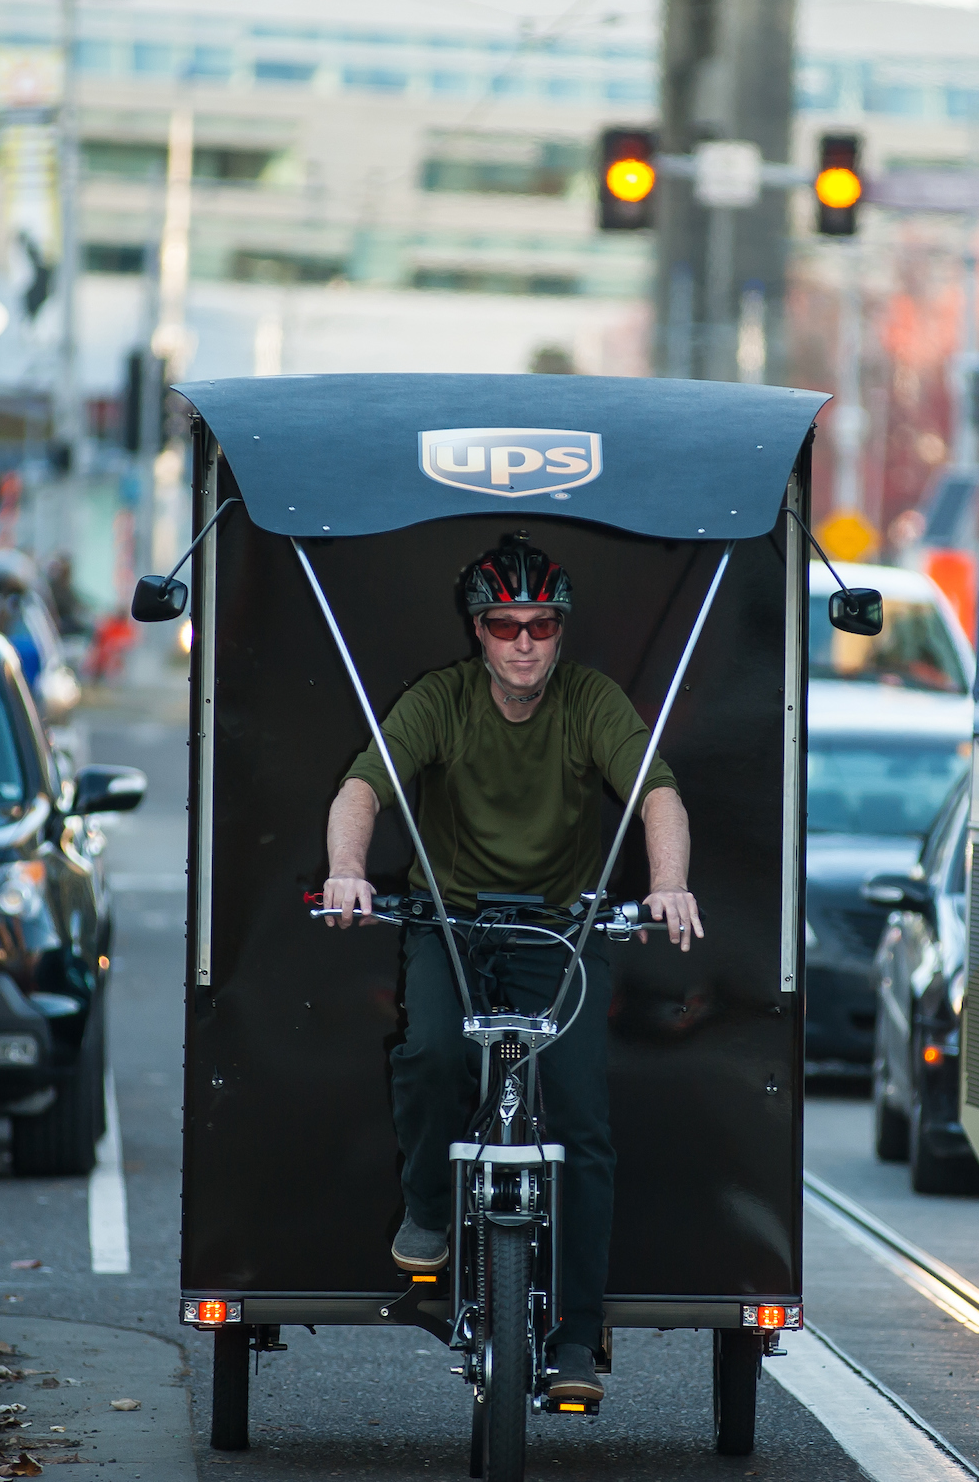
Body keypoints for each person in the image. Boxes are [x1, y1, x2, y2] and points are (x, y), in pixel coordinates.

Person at [318, 532, 704, 1407]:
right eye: (504, 624)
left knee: (581, 1116)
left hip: (558, 934)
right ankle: (425, 1207)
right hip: (450, 923)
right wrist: (347, 866)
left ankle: (573, 1338)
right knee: (430, 1052)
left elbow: (659, 792)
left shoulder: (590, 702)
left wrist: (669, 884)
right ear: (478, 631)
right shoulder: (440, 700)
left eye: (541, 623)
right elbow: (362, 788)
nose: (523, 641)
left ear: (561, 631)